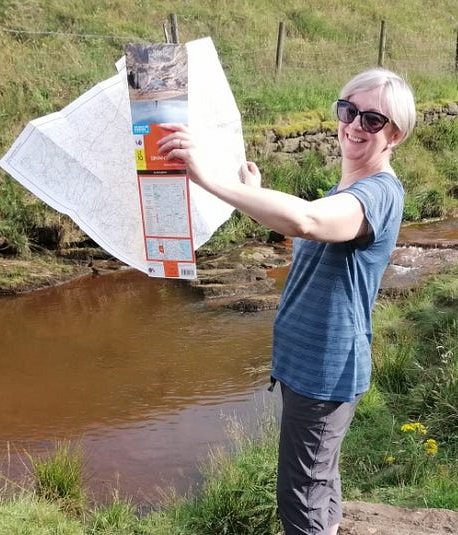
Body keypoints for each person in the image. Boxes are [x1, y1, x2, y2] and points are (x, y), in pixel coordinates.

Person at [160, 67, 416, 535]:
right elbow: (304, 225)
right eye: (349, 111)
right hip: (309, 366)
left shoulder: (377, 194)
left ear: (394, 133)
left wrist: (208, 179)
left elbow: (308, 223)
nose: (356, 125)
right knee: (319, 477)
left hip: (325, 370)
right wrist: (254, 195)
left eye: (373, 120)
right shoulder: (347, 191)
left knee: (301, 496)